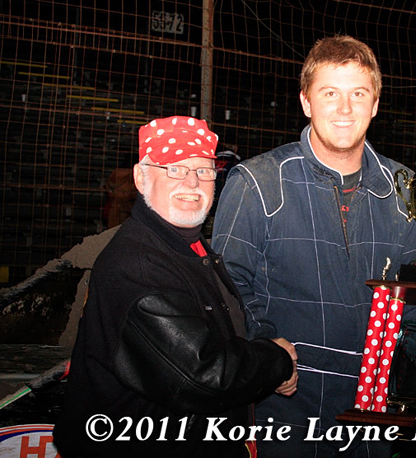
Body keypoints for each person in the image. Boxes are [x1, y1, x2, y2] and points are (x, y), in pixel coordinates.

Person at [212, 36, 416, 457]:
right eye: (330, 93)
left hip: (373, 415)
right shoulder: (257, 183)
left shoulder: (405, 190)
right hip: (284, 408)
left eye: (358, 94)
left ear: (375, 104)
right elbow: (227, 290)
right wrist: (266, 354)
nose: (345, 109)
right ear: (306, 101)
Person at [53, 116, 297, 458]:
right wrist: (276, 360)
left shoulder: (187, 248)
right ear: (141, 177)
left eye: (204, 170)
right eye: (174, 169)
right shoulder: (138, 266)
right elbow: (203, 375)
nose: (192, 182)